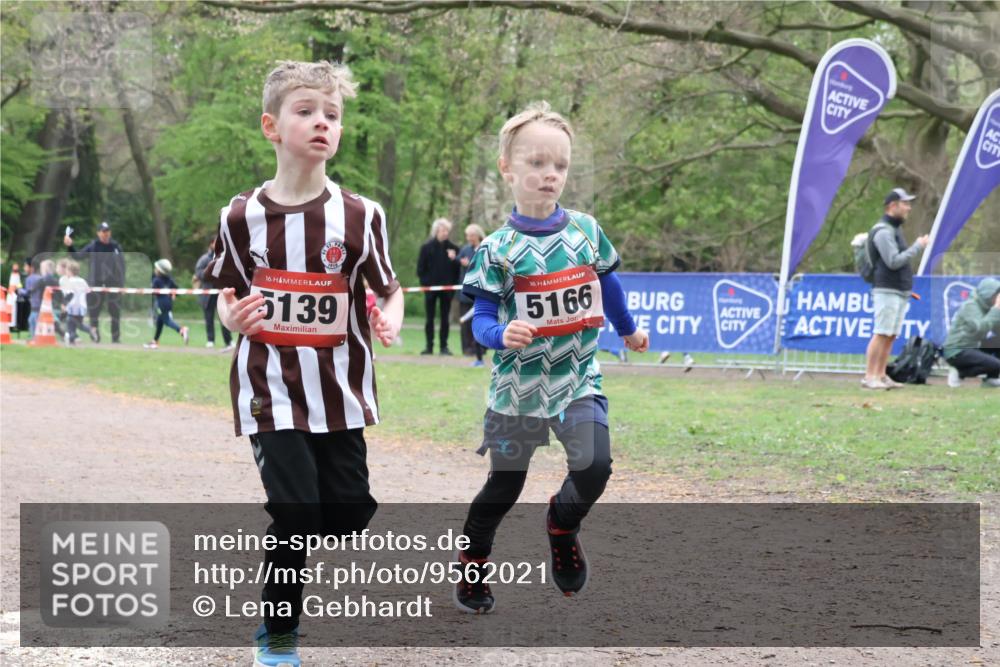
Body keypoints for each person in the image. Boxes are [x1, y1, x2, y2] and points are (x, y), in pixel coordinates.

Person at [204, 60, 403, 667]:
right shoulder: (240, 216)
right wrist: (230, 318)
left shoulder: (362, 216)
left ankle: (304, 533)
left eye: (332, 115)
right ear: (272, 125)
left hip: (339, 390)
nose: (322, 123)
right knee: (293, 514)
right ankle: (278, 638)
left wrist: (388, 315)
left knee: (344, 517)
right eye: (307, 111)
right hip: (268, 387)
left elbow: (388, 288)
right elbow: (224, 289)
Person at [455, 102, 649, 614]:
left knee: (595, 466)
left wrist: (628, 330)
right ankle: (474, 558)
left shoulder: (585, 230)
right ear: (507, 168)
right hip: (517, 387)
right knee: (504, 486)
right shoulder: (495, 249)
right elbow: (480, 319)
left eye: (559, 166)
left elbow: (609, 285)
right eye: (537, 163)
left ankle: (562, 525)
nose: (549, 175)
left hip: (577, 377)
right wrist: (501, 332)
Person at [861, 188, 929, 390]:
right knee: (881, 332)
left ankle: (881, 376)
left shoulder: (894, 229)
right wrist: (917, 246)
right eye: (905, 203)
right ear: (892, 206)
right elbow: (892, 261)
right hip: (886, 289)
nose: (908, 207)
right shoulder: (883, 231)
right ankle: (869, 376)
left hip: (899, 290)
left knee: (891, 334)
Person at [63, 221, 126, 343]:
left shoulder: (115, 247)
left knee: (115, 311)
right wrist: (70, 246)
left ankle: (116, 338)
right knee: (94, 312)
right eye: (103, 232)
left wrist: (121, 284)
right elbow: (78, 256)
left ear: (110, 232)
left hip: (112, 284)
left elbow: (122, 267)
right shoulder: (93, 246)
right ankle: (95, 337)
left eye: (107, 232)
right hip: (95, 284)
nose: (105, 234)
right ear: (98, 233)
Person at [943, 277, 1000, 388]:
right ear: (987, 294)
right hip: (957, 350)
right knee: (997, 364)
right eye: (996, 295)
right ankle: (959, 372)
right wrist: (996, 309)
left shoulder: (986, 306)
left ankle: (992, 377)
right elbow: (980, 328)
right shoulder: (970, 306)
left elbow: (996, 329)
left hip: (973, 346)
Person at [416, 217, 460, 355]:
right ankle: (429, 346)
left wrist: (454, 261)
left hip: (447, 290)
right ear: (436, 231)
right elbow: (420, 270)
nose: (445, 233)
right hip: (430, 290)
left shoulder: (454, 248)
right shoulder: (426, 248)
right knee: (429, 319)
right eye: (442, 230)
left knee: (445, 319)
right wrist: (426, 285)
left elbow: (457, 271)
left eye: (447, 230)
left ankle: (443, 347)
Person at [194, 240, 234, 350]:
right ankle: (210, 340)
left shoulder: (225, 258)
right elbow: (198, 273)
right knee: (209, 318)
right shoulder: (204, 259)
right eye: (215, 242)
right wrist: (209, 274)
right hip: (208, 294)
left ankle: (229, 341)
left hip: (221, 293)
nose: (217, 245)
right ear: (211, 244)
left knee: (224, 318)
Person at [457, 223, 487, 366]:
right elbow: (458, 260)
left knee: (480, 320)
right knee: (466, 322)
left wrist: (470, 265)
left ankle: (481, 349)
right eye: (467, 236)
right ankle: (468, 349)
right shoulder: (465, 249)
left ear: (477, 235)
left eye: (471, 235)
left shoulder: (485, 247)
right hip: (466, 292)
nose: (468, 238)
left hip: (482, 290)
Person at [143, 259, 189, 349]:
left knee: (166, 320)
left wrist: (145, 291)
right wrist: (173, 294)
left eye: (156, 268)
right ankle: (155, 341)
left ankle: (181, 330)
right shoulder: (169, 279)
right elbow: (177, 290)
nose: (155, 270)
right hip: (168, 302)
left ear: (159, 270)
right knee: (160, 321)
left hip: (161, 303)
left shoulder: (156, 280)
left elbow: (152, 291)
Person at [59, 259, 98, 345]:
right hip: (81, 307)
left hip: (72, 307)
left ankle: (71, 340)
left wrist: (63, 304)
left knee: (70, 325)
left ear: (69, 271)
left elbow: (69, 294)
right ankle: (90, 330)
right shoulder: (82, 280)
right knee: (79, 324)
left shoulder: (69, 282)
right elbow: (88, 291)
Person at [18, 258, 55, 340]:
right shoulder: (40, 277)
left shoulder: (29, 279)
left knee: (32, 320)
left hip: (35, 305)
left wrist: (20, 290)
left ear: (32, 268)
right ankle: (36, 337)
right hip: (42, 304)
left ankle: (35, 338)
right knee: (33, 320)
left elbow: (27, 293)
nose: (24, 268)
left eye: (25, 266)